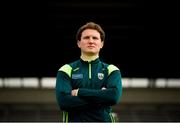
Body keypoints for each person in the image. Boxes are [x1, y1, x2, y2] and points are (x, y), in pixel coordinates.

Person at [55, 22, 122, 122]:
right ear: (78, 43)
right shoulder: (66, 69)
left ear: (102, 44)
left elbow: (113, 97)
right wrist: (102, 97)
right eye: (86, 38)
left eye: (95, 38)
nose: (91, 41)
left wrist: (79, 92)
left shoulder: (112, 70)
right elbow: (64, 102)